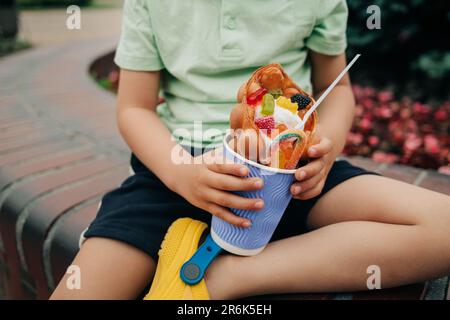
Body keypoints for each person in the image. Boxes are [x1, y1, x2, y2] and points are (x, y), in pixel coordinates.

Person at [51, 0, 450, 299]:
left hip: (290, 172)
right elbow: (134, 107)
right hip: (178, 171)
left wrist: (324, 151)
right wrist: (182, 174)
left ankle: (217, 278)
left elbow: (338, 88)